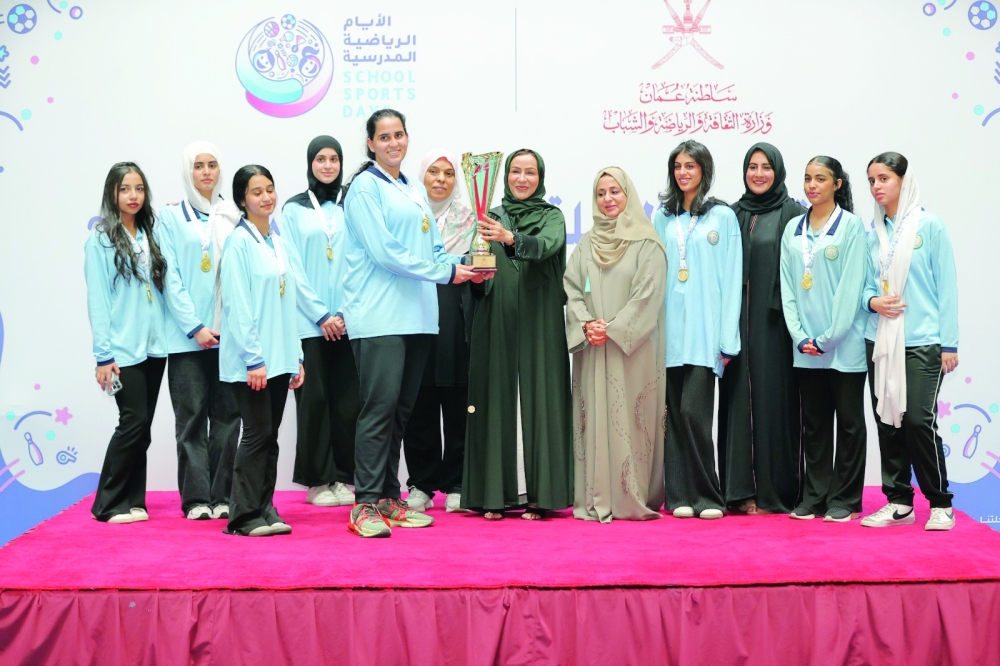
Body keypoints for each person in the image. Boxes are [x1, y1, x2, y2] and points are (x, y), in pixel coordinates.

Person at [341, 109, 480, 538]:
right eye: (384, 137)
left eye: (399, 135)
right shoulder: (365, 188)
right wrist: (445, 273)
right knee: (379, 410)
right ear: (370, 143)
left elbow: (434, 250)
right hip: (380, 316)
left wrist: (466, 264)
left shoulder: (413, 187)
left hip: (418, 317)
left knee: (400, 413)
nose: (393, 143)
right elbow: (386, 253)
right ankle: (364, 503)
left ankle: (387, 497)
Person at [462, 149, 574, 520]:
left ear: (540, 177)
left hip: (539, 321)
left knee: (539, 400)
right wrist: (476, 276)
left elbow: (545, 247)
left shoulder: (551, 216)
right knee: (496, 399)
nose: (522, 179)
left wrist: (511, 238)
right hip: (497, 320)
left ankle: (541, 496)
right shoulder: (489, 216)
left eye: (529, 172)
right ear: (506, 176)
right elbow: (479, 271)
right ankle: (495, 495)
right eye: (515, 172)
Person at [220, 165, 331, 537]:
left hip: (280, 360)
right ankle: (242, 516)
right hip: (252, 363)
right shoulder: (238, 243)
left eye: (270, 189)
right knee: (255, 435)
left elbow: (289, 304)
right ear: (242, 200)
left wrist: (295, 355)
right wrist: (254, 358)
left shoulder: (278, 242)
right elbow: (237, 306)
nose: (266, 197)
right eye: (256, 192)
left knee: (270, 437)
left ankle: (265, 507)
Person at [860, 152, 959, 531]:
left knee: (918, 420)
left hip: (923, 342)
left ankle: (940, 503)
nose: (877, 186)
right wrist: (873, 301)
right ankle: (899, 501)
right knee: (888, 422)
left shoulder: (929, 227)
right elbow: (867, 287)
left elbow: (945, 287)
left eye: (883, 178)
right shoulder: (875, 235)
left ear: (903, 180)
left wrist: (948, 344)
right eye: (871, 180)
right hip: (880, 341)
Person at [564, 167, 667, 522]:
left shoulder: (647, 244)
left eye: (615, 192)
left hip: (631, 349)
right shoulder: (587, 244)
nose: (608, 199)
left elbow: (647, 296)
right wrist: (587, 323)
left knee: (629, 420)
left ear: (628, 195)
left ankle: (631, 497)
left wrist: (613, 328)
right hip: (594, 348)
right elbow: (572, 288)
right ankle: (595, 495)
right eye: (601, 193)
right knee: (594, 418)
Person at [651, 140, 742, 520]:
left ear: (704, 169)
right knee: (672, 415)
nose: (684, 172)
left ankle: (707, 495)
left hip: (705, 333)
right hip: (669, 332)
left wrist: (728, 338)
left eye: (691, 165)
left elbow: (732, 277)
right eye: (678, 166)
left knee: (695, 413)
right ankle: (678, 497)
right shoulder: (662, 217)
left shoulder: (722, 217)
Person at [156, 141, 242, 521]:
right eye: (198, 166)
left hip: (229, 336)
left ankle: (222, 495)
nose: (206, 172)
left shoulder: (233, 215)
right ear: (187, 172)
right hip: (187, 337)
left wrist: (225, 328)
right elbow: (169, 277)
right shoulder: (171, 218)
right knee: (190, 420)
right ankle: (195, 499)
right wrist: (195, 327)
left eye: (212, 165)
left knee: (227, 418)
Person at [779, 156, 868, 522]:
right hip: (806, 350)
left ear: (838, 184)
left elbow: (851, 288)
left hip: (843, 347)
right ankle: (814, 496)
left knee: (848, 423)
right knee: (814, 425)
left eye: (821, 179)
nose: (812, 185)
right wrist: (801, 337)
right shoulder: (792, 231)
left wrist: (829, 338)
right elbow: (787, 288)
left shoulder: (851, 227)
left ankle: (844, 499)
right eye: (807, 179)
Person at [718, 143, 805, 515]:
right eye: (752, 167)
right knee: (737, 402)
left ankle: (776, 491)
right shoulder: (731, 214)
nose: (758, 174)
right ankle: (739, 491)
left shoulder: (794, 213)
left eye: (766, 167)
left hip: (776, 326)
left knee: (776, 402)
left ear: (778, 171)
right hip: (736, 324)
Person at [85, 162, 168, 524]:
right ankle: (107, 503)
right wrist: (104, 355)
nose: (132, 196)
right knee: (131, 422)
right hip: (121, 348)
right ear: (112, 194)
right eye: (124, 189)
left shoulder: (152, 233)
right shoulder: (101, 239)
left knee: (143, 427)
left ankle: (134, 501)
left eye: (138, 188)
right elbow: (98, 300)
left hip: (154, 346)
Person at [281, 135, 358, 508]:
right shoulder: (293, 209)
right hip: (309, 323)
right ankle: (317, 481)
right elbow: (291, 266)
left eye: (334, 159)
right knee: (313, 400)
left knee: (347, 402)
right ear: (310, 163)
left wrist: (342, 312)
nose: (328, 166)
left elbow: (360, 260)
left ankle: (343, 477)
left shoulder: (353, 204)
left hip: (349, 321)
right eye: (320, 159)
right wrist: (321, 314)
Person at [402, 149, 477, 513]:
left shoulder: (471, 219)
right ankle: (421, 484)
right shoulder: (408, 213)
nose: (441, 179)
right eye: (433, 172)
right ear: (422, 175)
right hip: (415, 311)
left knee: (459, 402)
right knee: (419, 403)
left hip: (455, 314)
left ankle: (458, 482)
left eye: (448, 173)